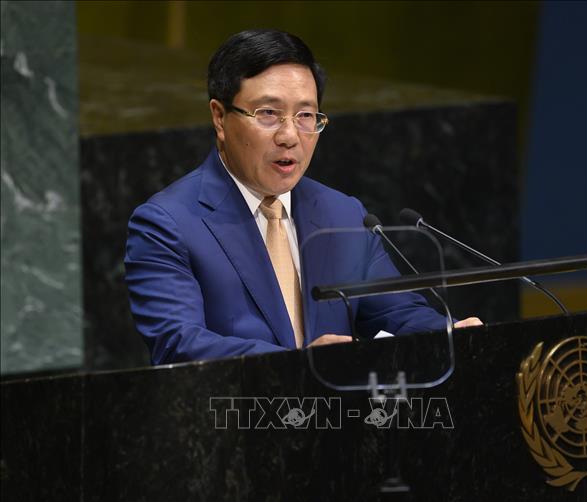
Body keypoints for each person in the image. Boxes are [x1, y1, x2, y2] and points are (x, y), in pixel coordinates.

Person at [124, 29, 481, 365]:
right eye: (268, 114)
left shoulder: (342, 213)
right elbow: (179, 343)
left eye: (306, 115)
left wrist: (449, 334)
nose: (290, 136)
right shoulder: (168, 223)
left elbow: (397, 312)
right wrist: (298, 367)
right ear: (220, 118)